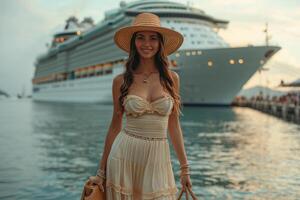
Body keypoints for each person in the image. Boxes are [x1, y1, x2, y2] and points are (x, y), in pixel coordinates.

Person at [89, 12, 193, 199]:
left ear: (160, 43)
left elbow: (174, 125)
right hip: (123, 156)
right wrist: (101, 171)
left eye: (153, 38)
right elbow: (114, 126)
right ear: (133, 43)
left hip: (157, 158)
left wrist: (185, 169)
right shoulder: (120, 81)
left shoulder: (172, 79)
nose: (147, 44)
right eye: (140, 38)